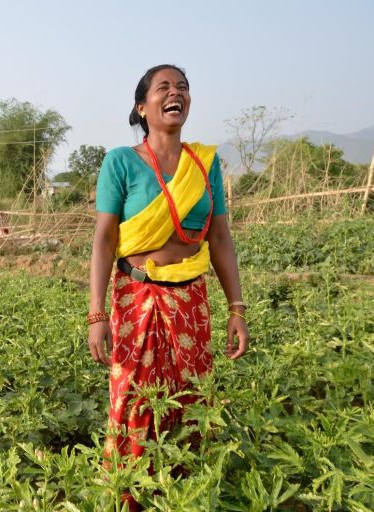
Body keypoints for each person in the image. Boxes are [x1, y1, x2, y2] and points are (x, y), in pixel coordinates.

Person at [86, 64, 249, 509]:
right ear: (142, 107)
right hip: (136, 298)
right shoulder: (120, 161)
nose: (175, 93)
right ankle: (132, 497)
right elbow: (103, 241)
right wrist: (97, 314)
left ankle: (186, 495)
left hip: (190, 302)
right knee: (134, 402)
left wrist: (237, 308)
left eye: (183, 87)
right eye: (164, 87)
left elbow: (219, 238)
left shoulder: (205, 164)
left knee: (191, 398)